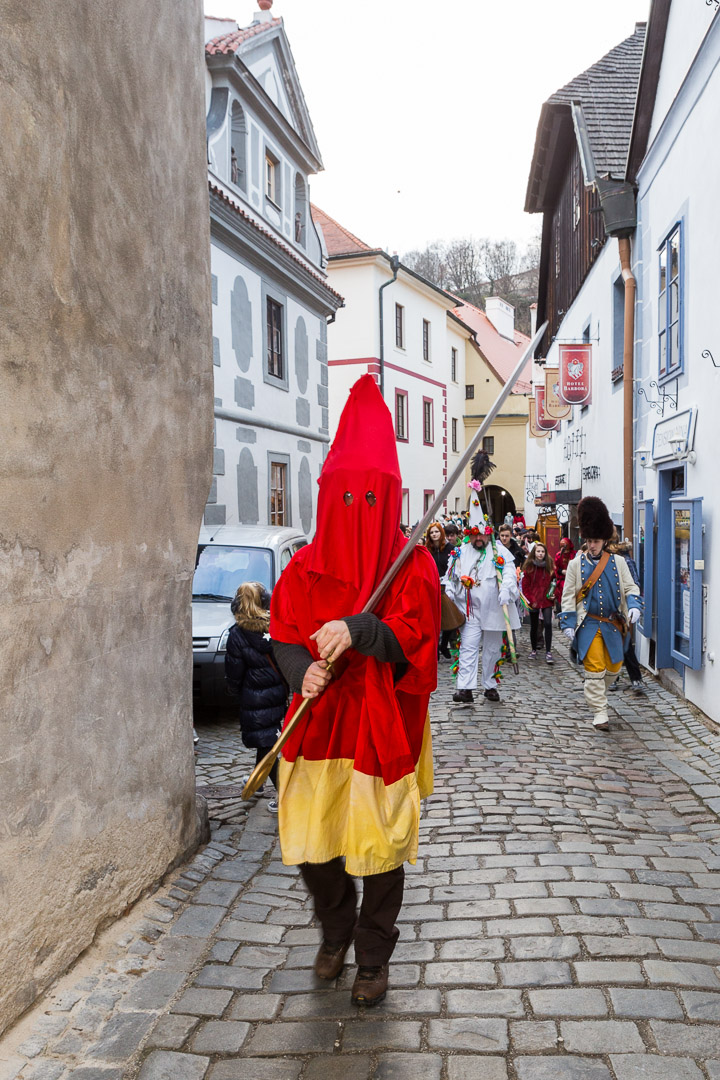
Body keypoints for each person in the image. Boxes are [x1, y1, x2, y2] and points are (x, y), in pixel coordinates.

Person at [270, 375, 440, 1007]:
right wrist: (298, 671)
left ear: (389, 499)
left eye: (372, 500)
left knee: (380, 843)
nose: (357, 511)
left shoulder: (411, 565)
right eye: (346, 498)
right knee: (315, 843)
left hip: (381, 724)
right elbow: (284, 634)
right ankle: (336, 925)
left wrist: (362, 629)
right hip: (319, 722)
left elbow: (417, 639)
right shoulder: (303, 566)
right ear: (326, 497)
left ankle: (372, 954)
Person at [559, 497, 641, 730]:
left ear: (604, 540)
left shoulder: (618, 562)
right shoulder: (576, 564)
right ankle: (599, 712)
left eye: (596, 541)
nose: (592, 545)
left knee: (614, 667)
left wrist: (634, 605)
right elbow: (568, 595)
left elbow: (630, 587)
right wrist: (568, 621)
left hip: (613, 624)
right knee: (594, 668)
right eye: (589, 540)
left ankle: (595, 692)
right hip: (588, 623)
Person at [445, 510, 520, 705]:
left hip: (494, 609)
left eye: (482, 534)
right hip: (469, 610)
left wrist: (506, 590)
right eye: (474, 534)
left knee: (493, 649)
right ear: (469, 534)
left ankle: (490, 685)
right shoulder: (460, 551)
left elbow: (510, 573)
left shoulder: (499, 551)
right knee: (468, 647)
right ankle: (465, 688)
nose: (478, 538)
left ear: (488, 533)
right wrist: (451, 591)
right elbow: (451, 576)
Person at [225, 581, 287, 813]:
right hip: (277, 693)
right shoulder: (275, 628)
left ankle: (286, 796)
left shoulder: (237, 635)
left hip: (254, 697)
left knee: (266, 746)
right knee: (265, 739)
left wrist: (234, 692)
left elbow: (234, 671)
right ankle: (258, 783)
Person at [609, 539, 645, 694]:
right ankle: (613, 677)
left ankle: (635, 677)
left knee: (625, 642)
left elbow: (634, 584)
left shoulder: (624, 561)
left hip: (621, 607)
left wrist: (633, 605)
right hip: (606, 607)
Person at [520, 542, 556, 663]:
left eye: (542, 552)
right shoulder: (529, 567)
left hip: (546, 599)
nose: (540, 554)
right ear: (534, 553)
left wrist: (554, 594)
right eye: (538, 551)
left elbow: (554, 583)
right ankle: (534, 649)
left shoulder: (549, 567)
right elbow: (525, 586)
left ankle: (548, 651)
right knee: (534, 625)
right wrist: (531, 600)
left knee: (547, 623)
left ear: (545, 553)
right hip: (534, 600)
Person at [426, 522, 455, 659]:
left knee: (449, 616)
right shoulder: (428, 549)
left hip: (447, 585)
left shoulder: (450, 548)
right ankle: (436, 648)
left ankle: (444, 644)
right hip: (432, 585)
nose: (434, 534)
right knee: (434, 619)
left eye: (436, 532)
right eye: (432, 533)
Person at [554, 537, 576, 612]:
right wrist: (562, 571)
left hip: (572, 580)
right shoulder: (558, 555)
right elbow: (556, 567)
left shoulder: (574, 554)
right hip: (562, 580)